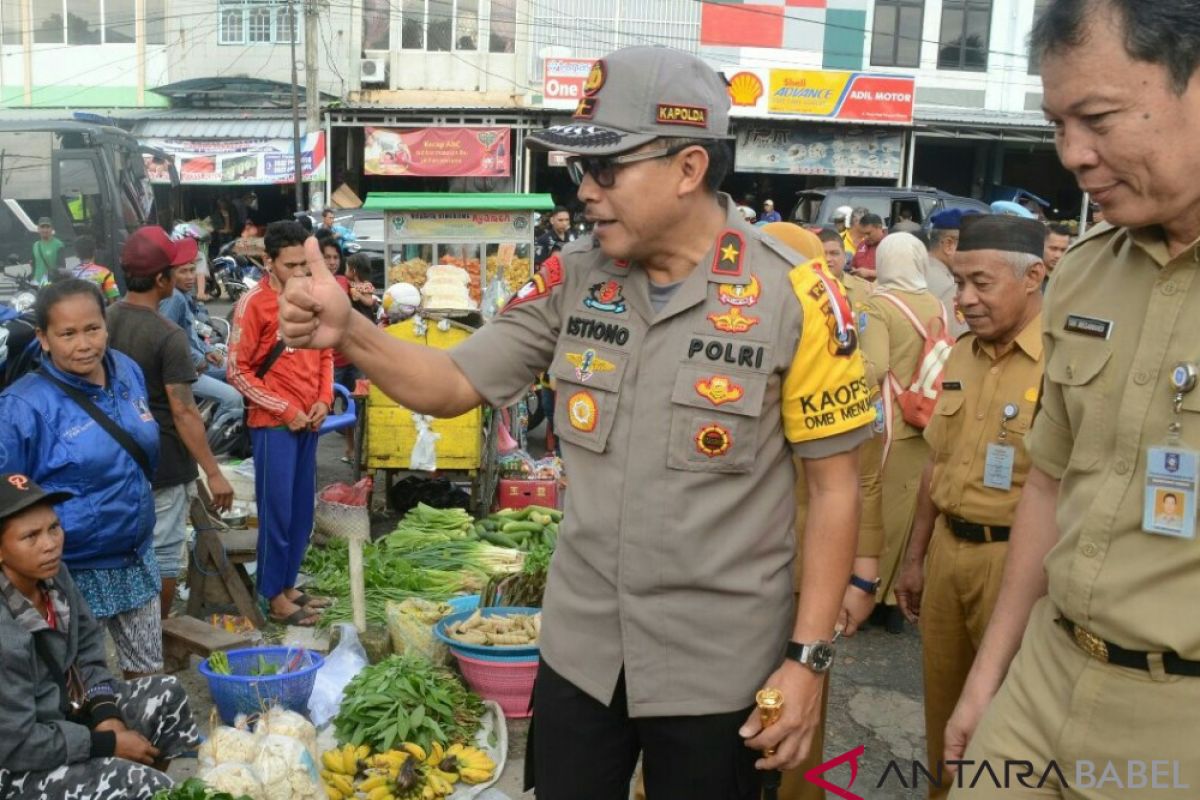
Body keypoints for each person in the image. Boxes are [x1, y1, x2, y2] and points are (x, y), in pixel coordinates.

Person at [278, 45, 873, 799]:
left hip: (719, 669)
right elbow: (456, 380)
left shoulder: (798, 298)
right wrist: (353, 331)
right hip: (582, 654)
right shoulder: (575, 277)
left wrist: (808, 659)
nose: (585, 192)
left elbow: (835, 491)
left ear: (689, 168)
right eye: (578, 172)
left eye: (606, 170)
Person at [943, 2, 1200, 797]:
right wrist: (988, 680)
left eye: (1097, 118)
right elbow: (1050, 485)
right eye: (1058, 124)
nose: (1074, 157)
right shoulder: (1087, 269)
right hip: (1045, 678)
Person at [891, 214, 1047, 800]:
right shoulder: (960, 353)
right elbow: (937, 461)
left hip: (1017, 568)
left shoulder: (1066, 359)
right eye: (958, 283)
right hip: (948, 557)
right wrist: (914, 558)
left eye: (981, 283)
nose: (964, 299)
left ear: (1033, 276)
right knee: (943, 712)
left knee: (1006, 723)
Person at [0, 474, 201, 799]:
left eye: (53, 527)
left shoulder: (55, 578)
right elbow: (17, 744)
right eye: (30, 536)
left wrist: (107, 716)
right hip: (15, 764)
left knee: (167, 694)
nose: (50, 544)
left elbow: (89, 651)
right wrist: (105, 744)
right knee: (141, 784)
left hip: (67, 715)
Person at [0, 280, 162, 676]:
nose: (83, 344)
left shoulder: (126, 371)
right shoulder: (22, 407)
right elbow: (6, 498)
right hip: (69, 571)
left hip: (136, 555)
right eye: (67, 334)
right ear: (43, 338)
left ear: (106, 325)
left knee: (148, 676)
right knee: (78, 690)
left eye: (92, 329)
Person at [106, 227, 235, 619]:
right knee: (162, 554)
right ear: (161, 279)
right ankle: (154, 633)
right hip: (162, 459)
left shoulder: (104, 320)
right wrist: (213, 472)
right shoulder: (168, 334)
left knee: (126, 547)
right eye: (173, 270)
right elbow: (183, 410)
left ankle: (132, 628)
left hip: (117, 459)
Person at [228, 220, 334, 627]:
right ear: (268, 262)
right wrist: (285, 410)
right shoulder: (252, 304)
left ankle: (289, 585)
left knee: (302, 513)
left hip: (309, 422)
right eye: (291, 265)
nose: (300, 274)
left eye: (305, 265)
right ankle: (273, 596)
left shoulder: (311, 295)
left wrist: (324, 400)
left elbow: (325, 351)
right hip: (274, 425)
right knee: (277, 514)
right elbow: (237, 371)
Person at [859, 232, 946, 635]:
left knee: (881, 512)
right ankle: (899, 596)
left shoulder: (879, 305)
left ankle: (875, 595)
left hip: (890, 421)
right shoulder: (936, 303)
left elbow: (873, 366)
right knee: (914, 512)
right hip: (927, 417)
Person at [158, 251, 245, 428]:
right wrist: (199, 359)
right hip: (184, 370)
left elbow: (192, 332)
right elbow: (169, 339)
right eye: (183, 272)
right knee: (234, 396)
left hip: (198, 359)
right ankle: (212, 440)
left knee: (239, 367)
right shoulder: (174, 299)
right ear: (170, 274)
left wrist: (207, 351)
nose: (190, 277)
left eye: (192, 270)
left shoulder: (184, 295)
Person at [925, 209, 970, 338]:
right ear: (949, 245)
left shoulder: (913, 269)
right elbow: (956, 341)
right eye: (968, 245)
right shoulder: (949, 287)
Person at [68, 235, 120, 305]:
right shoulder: (105, 273)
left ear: (76, 254)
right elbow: (113, 300)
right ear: (95, 252)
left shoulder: (70, 274)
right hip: (97, 313)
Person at [851, 213, 886, 279]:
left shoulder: (890, 245)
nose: (865, 237)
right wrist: (853, 270)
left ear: (879, 227)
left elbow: (896, 273)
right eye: (863, 234)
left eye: (868, 233)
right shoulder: (862, 245)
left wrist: (870, 273)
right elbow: (854, 265)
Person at [31, 217, 65, 286]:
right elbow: (34, 266)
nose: (45, 230)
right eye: (42, 227)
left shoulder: (58, 244)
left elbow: (62, 267)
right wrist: (32, 278)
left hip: (51, 284)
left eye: (48, 227)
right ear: (38, 229)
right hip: (37, 283)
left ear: (52, 229)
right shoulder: (36, 245)